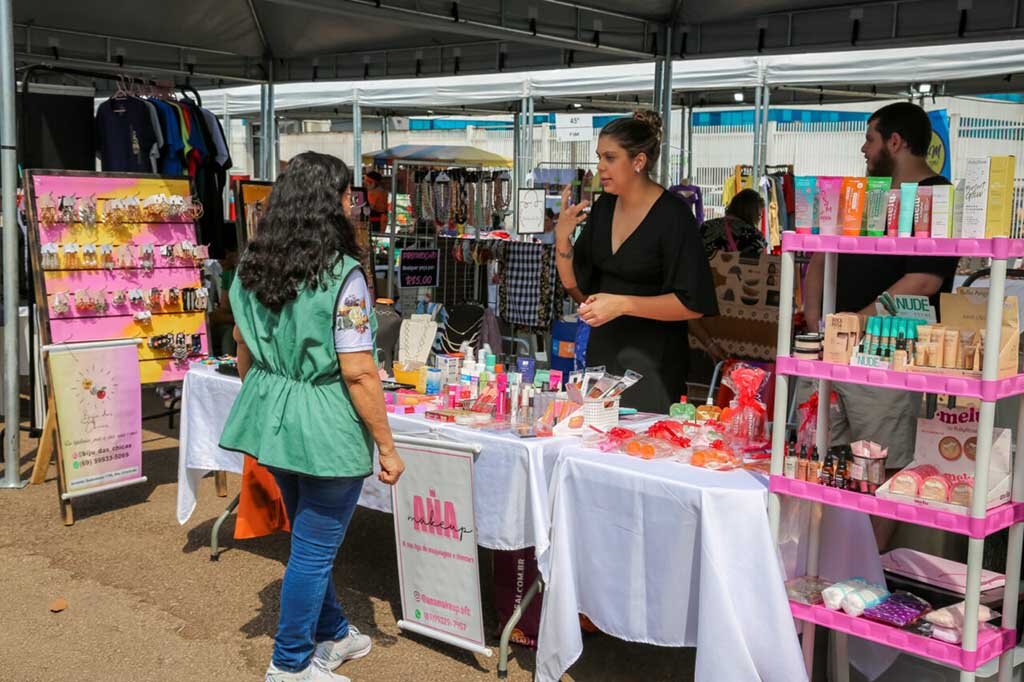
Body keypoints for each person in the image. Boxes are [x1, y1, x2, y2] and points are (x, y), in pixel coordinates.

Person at [219, 152, 405, 682]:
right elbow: (359, 372)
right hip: (323, 421)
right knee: (313, 549)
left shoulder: (253, 264)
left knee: (306, 536)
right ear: (330, 203)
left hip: (271, 412)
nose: (354, 204)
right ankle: (290, 663)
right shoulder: (343, 276)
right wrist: (388, 446)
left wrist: (266, 395)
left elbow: (242, 349)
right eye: (348, 195)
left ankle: (337, 633)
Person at [803, 102, 956, 544]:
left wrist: (855, 321)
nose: (863, 149)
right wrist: (818, 325)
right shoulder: (866, 198)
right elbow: (819, 255)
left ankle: (864, 574)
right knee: (817, 456)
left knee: (883, 464)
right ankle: (820, 561)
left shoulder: (934, 197)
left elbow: (924, 280)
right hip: (832, 350)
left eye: (871, 139)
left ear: (896, 141)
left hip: (887, 353)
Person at [554, 110, 719, 413]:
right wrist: (562, 238)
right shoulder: (604, 208)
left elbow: (692, 303)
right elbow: (576, 286)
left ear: (638, 162)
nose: (600, 166)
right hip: (603, 361)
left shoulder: (673, 216)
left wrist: (624, 304)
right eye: (599, 157)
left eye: (610, 157)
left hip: (653, 366)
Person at [699, 188, 767, 260]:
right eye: (759, 215)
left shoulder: (706, 226)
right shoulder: (755, 236)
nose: (759, 219)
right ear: (752, 214)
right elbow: (761, 266)